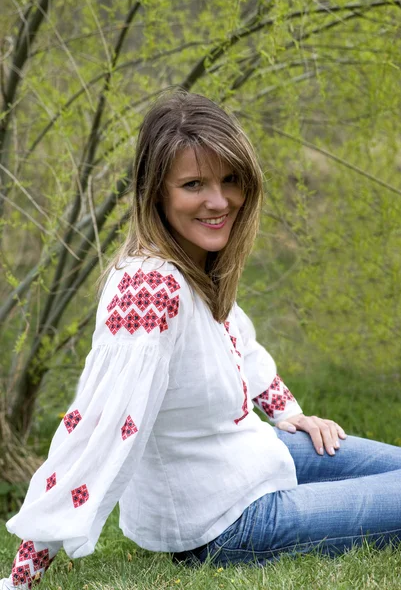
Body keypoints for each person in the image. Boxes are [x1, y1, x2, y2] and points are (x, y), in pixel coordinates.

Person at [1, 90, 401, 589]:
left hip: (256, 454)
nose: (219, 201)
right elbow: (98, 427)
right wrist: (22, 575)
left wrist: (289, 415)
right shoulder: (149, 288)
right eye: (194, 184)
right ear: (156, 193)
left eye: (230, 180)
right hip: (227, 521)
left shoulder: (193, 266)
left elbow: (238, 345)